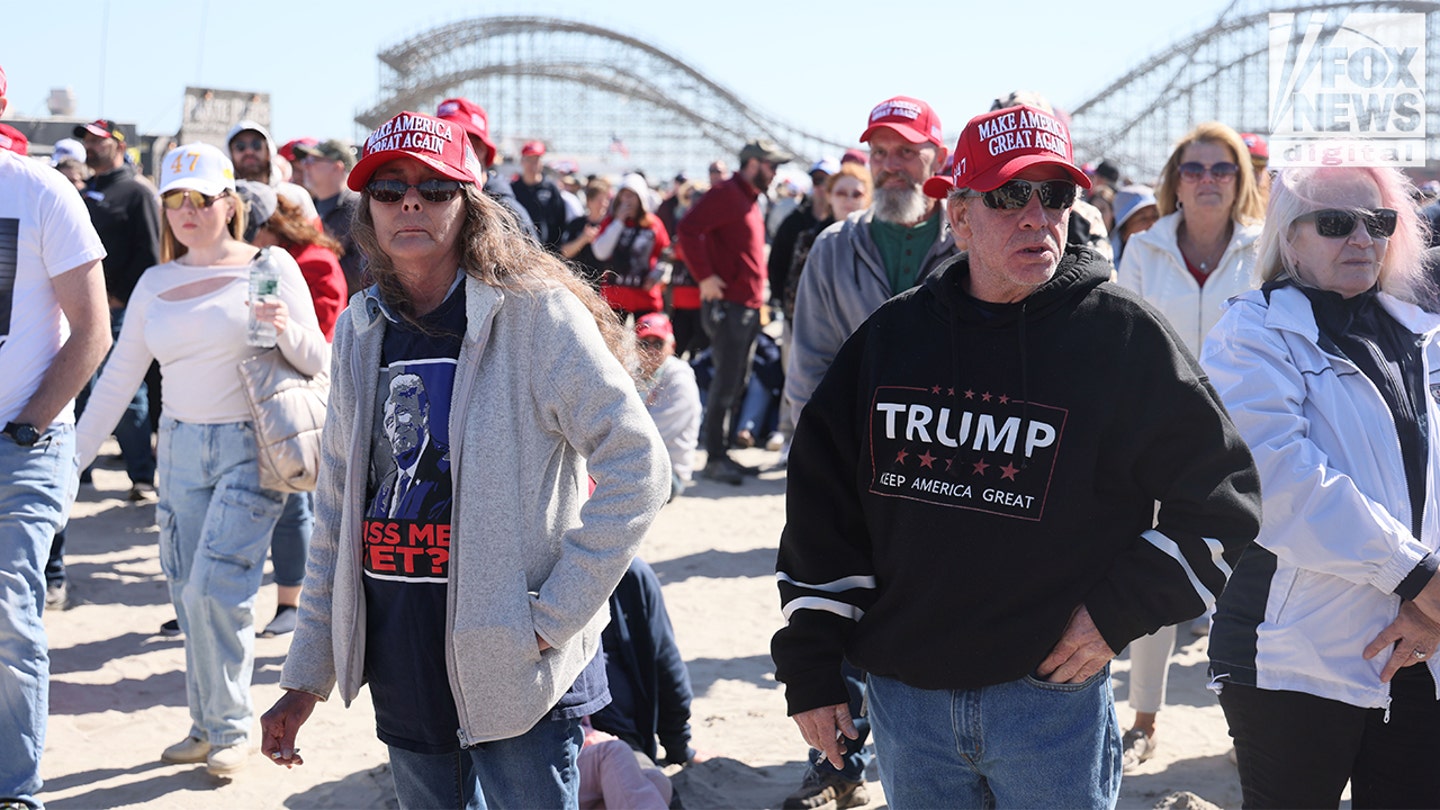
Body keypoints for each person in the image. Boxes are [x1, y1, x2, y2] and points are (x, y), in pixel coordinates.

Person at [772, 103, 1262, 808]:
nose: (1037, 216)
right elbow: (822, 511)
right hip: (907, 707)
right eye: (1009, 196)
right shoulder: (891, 340)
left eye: (1055, 194)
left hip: (1049, 704)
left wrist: (1116, 614)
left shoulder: (1121, 338)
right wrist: (813, 667)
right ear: (960, 217)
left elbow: (1224, 496)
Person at [259, 110, 669, 809]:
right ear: (367, 211)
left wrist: (550, 615)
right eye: (388, 190)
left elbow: (639, 466)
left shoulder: (535, 315)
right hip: (401, 656)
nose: (409, 202)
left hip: (516, 668)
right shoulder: (360, 328)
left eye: (435, 188)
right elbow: (336, 513)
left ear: (470, 203)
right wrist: (306, 675)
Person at [75, 142, 328, 777]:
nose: (188, 212)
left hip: (251, 446)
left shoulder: (268, 266)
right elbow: (116, 379)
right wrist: (69, 463)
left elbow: (318, 360)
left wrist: (282, 326)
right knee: (188, 593)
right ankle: (207, 724)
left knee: (220, 587)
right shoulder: (156, 282)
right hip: (179, 448)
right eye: (175, 200)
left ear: (230, 204)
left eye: (202, 199)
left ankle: (233, 728)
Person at [1201, 165, 1440, 808]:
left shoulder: (1421, 332)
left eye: (1379, 222)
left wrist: (1428, 608)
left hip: (1421, 643)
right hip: (1294, 654)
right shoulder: (1250, 333)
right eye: (1335, 224)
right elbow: (1279, 482)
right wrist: (1419, 577)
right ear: (1289, 240)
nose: (1362, 237)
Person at [1113, 120, 1264, 772]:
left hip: (1250, 444)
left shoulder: (1266, 250)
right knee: (1156, 581)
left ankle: (1250, 726)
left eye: (1222, 169)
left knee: (1251, 593)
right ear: (1175, 180)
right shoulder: (1144, 251)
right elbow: (1122, 345)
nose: (1207, 181)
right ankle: (1145, 720)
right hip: (1161, 444)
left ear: (1241, 181)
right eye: (1194, 169)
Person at [0, 63, 112, 810]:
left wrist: (27, 426)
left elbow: (93, 332)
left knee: (7, 615)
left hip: (21, 448)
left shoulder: (40, 190)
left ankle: (16, 788)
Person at [785, 95, 957, 489]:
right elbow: (809, 368)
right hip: (857, 458)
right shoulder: (833, 247)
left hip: (949, 462)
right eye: (879, 152)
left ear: (941, 156)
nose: (890, 166)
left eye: (907, 151)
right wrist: (825, 458)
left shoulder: (969, 245)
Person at [237, 179, 347, 638]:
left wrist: (281, 326)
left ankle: (293, 601)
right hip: (266, 394)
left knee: (297, 502)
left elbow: (326, 335)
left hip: (299, 393)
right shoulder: (259, 262)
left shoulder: (309, 261)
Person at [677, 138, 793, 485]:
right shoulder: (729, 193)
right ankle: (715, 457)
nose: (774, 173)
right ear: (754, 164)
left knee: (736, 380)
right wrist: (705, 278)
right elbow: (687, 228)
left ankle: (723, 452)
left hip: (745, 307)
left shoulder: (746, 198)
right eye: (771, 166)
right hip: (730, 307)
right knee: (726, 382)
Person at [590, 557, 697, 765]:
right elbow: (667, 667)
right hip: (610, 738)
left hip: (544, 742)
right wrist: (679, 746)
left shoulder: (628, 572)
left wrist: (678, 745)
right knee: (649, 788)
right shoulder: (627, 571)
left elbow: (667, 666)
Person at [434, 96, 538, 238]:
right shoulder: (432, 201)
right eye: (440, 139)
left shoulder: (508, 215)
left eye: (454, 138)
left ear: (481, 148)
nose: (444, 147)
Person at [633, 313, 700, 499]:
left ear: (672, 347)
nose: (651, 350)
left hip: (667, 473)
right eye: (645, 344)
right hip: (634, 461)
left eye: (658, 344)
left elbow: (651, 438)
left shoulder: (680, 380)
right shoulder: (633, 371)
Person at [293, 139, 365, 297]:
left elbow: (363, 272)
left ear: (337, 167)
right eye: (305, 160)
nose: (305, 165)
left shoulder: (358, 208)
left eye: (313, 160)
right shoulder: (308, 209)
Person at [593, 174, 670, 320]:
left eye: (632, 196)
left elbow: (665, 255)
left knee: (646, 341)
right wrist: (619, 222)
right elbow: (600, 252)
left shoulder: (653, 224)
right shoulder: (610, 221)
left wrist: (656, 276)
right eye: (624, 195)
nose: (627, 200)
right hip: (614, 297)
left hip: (645, 298)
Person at [226, 120, 318, 222]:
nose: (249, 151)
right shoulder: (225, 202)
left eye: (256, 145)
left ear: (268, 151)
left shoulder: (296, 196)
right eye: (240, 147)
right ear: (230, 154)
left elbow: (315, 235)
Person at [512, 139, 569, 251]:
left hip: (547, 251)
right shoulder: (513, 189)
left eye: (536, 160)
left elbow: (560, 220)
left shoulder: (550, 189)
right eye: (529, 159)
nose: (533, 164)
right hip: (520, 250)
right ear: (522, 161)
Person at [560, 177, 613, 289]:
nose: (603, 204)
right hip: (579, 283)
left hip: (604, 286)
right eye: (599, 200)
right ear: (589, 201)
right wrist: (583, 239)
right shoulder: (576, 223)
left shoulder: (611, 225)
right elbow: (564, 252)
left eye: (606, 200)